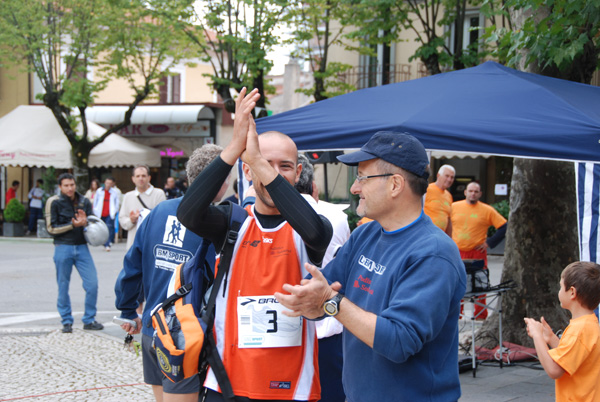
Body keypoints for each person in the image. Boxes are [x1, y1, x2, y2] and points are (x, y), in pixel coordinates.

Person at [275, 131, 466, 402]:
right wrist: (309, 301)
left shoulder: (433, 254)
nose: (355, 188)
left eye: (363, 177)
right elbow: (321, 293)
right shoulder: (366, 234)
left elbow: (399, 341)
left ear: (395, 185)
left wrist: (331, 303)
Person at [176, 88, 332, 402]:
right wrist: (235, 147)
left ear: (298, 173)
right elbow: (188, 212)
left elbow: (314, 232)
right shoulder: (231, 223)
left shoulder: (312, 225)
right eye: (263, 163)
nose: (273, 171)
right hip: (229, 384)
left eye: (284, 166)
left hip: (292, 388)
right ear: (245, 170)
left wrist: (258, 161)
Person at [115, 144, 226, 402]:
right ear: (219, 181)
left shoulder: (159, 212)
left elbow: (131, 266)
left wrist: (128, 310)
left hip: (153, 329)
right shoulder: (218, 220)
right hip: (185, 334)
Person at [295, 153, 350, 402]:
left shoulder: (260, 216)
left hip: (286, 327)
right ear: (313, 186)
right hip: (328, 325)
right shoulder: (337, 217)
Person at [524, 261, 600, 402]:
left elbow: (554, 370)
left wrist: (537, 336)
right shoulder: (589, 323)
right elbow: (572, 357)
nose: (558, 291)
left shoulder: (578, 330)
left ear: (572, 292)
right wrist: (551, 338)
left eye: (560, 287)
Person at [45, 173, 103, 333]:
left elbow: (93, 223)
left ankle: (89, 319)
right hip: (62, 247)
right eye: (66, 185)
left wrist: (86, 223)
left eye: (72, 185)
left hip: (82, 246)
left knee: (92, 284)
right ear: (60, 187)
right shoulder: (53, 202)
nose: (70, 188)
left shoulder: (84, 201)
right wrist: (73, 225)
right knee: (63, 285)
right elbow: (51, 229)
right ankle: (66, 321)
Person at [451, 181, 507, 319]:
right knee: (457, 283)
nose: (473, 194)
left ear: (480, 194)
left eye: (476, 191)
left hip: (477, 253)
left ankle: (480, 315)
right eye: (470, 191)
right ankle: (457, 314)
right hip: (457, 251)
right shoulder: (453, 207)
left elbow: (504, 226)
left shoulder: (487, 210)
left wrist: (489, 242)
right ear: (465, 192)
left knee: (480, 284)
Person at [119, 165, 166, 250]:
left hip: (152, 243)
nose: (141, 178)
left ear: (149, 178)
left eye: (143, 176)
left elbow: (163, 219)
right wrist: (131, 220)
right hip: (133, 244)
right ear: (133, 179)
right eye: (138, 176)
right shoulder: (128, 196)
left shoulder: (159, 194)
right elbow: (122, 219)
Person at [424, 164, 455, 236]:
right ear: (438, 175)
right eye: (447, 176)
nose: (449, 179)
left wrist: (449, 239)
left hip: (441, 236)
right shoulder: (427, 190)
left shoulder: (449, 196)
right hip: (426, 235)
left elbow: (449, 219)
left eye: (452, 177)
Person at [93, 177, 120, 251]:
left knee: (109, 228)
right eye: (107, 183)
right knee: (101, 228)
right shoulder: (99, 191)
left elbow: (117, 203)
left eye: (110, 183)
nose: (108, 185)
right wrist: (95, 210)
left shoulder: (114, 192)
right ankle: (105, 243)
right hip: (100, 212)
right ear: (104, 183)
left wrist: (115, 211)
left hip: (110, 212)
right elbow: (96, 201)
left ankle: (107, 244)